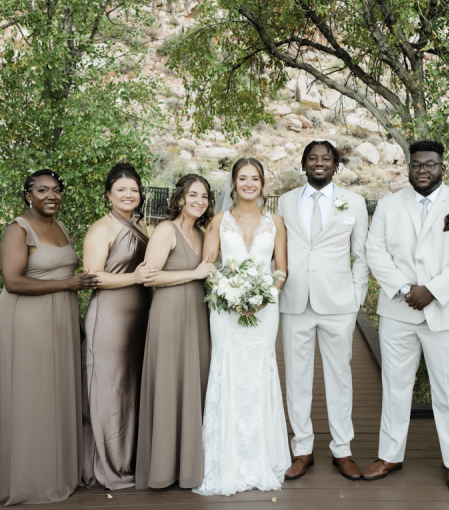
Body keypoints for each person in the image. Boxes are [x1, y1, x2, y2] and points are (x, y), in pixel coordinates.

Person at [364, 140, 449, 490]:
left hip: (446, 312)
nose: (422, 170)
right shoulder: (389, 205)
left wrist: (431, 290)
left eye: (429, 164)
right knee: (395, 386)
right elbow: (376, 251)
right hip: (399, 311)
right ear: (408, 167)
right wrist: (405, 289)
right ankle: (390, 455)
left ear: (442, 167)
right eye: (416, 164)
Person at [0, 169, 100, 506]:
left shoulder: (59, 227)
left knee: (58, 393)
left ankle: (59, 471)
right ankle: (32, 479)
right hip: (28, 322)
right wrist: (68, 284)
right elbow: (12, 282)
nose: (52, 196)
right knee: (34, 396)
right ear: (28, 195)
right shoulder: (17, 230)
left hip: (61, 318)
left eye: (57, 190)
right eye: (43, 190)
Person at [194, 157, 291, 496]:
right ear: (233, 183)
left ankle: (261, 455)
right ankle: (224, 459)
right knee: (228, 370)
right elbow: (209, 267)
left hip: (265, 311)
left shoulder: (276, 221)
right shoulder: (219, 220)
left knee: (260, 372)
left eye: (255, 179)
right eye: (243, 178)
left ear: (263, 184)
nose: (249, 184)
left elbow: (281, 270)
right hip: (226, 310)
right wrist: (228, 295)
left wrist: (266, 297)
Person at [276, 140, 370, 481]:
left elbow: (361, 255)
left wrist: (357, 296)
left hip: (339, 304)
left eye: (326, 158)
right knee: (297, 378)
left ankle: (342, 450)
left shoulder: (355, 203)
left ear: (335, 166)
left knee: (340, 378)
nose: (319, 163)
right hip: (295, 301)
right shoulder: (286, 202)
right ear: (303, 165)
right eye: (313, 158)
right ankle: (302, 448)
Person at [135, 174, 216, 490]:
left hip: (196, 314)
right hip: (169, 315)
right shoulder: (166, 230)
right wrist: (194, 273)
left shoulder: (198, 233)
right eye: (193, 195)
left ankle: (188, 466)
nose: (199, 201)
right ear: (180, 198)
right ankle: (163, 469)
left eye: (205, 197)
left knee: (193, 382)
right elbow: (149, 278)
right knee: (170, 384)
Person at [81, 163, 159, 490]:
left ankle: (131, 457)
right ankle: (111, 465)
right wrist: (134, 278)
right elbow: (91, 277)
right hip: (110, 318)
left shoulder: (141, 226)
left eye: (134, 190)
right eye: (121, 190)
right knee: (111, 391)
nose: (129, 195)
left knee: (131, 389)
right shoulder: (102, 228)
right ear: (108, 194)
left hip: (139, 319)